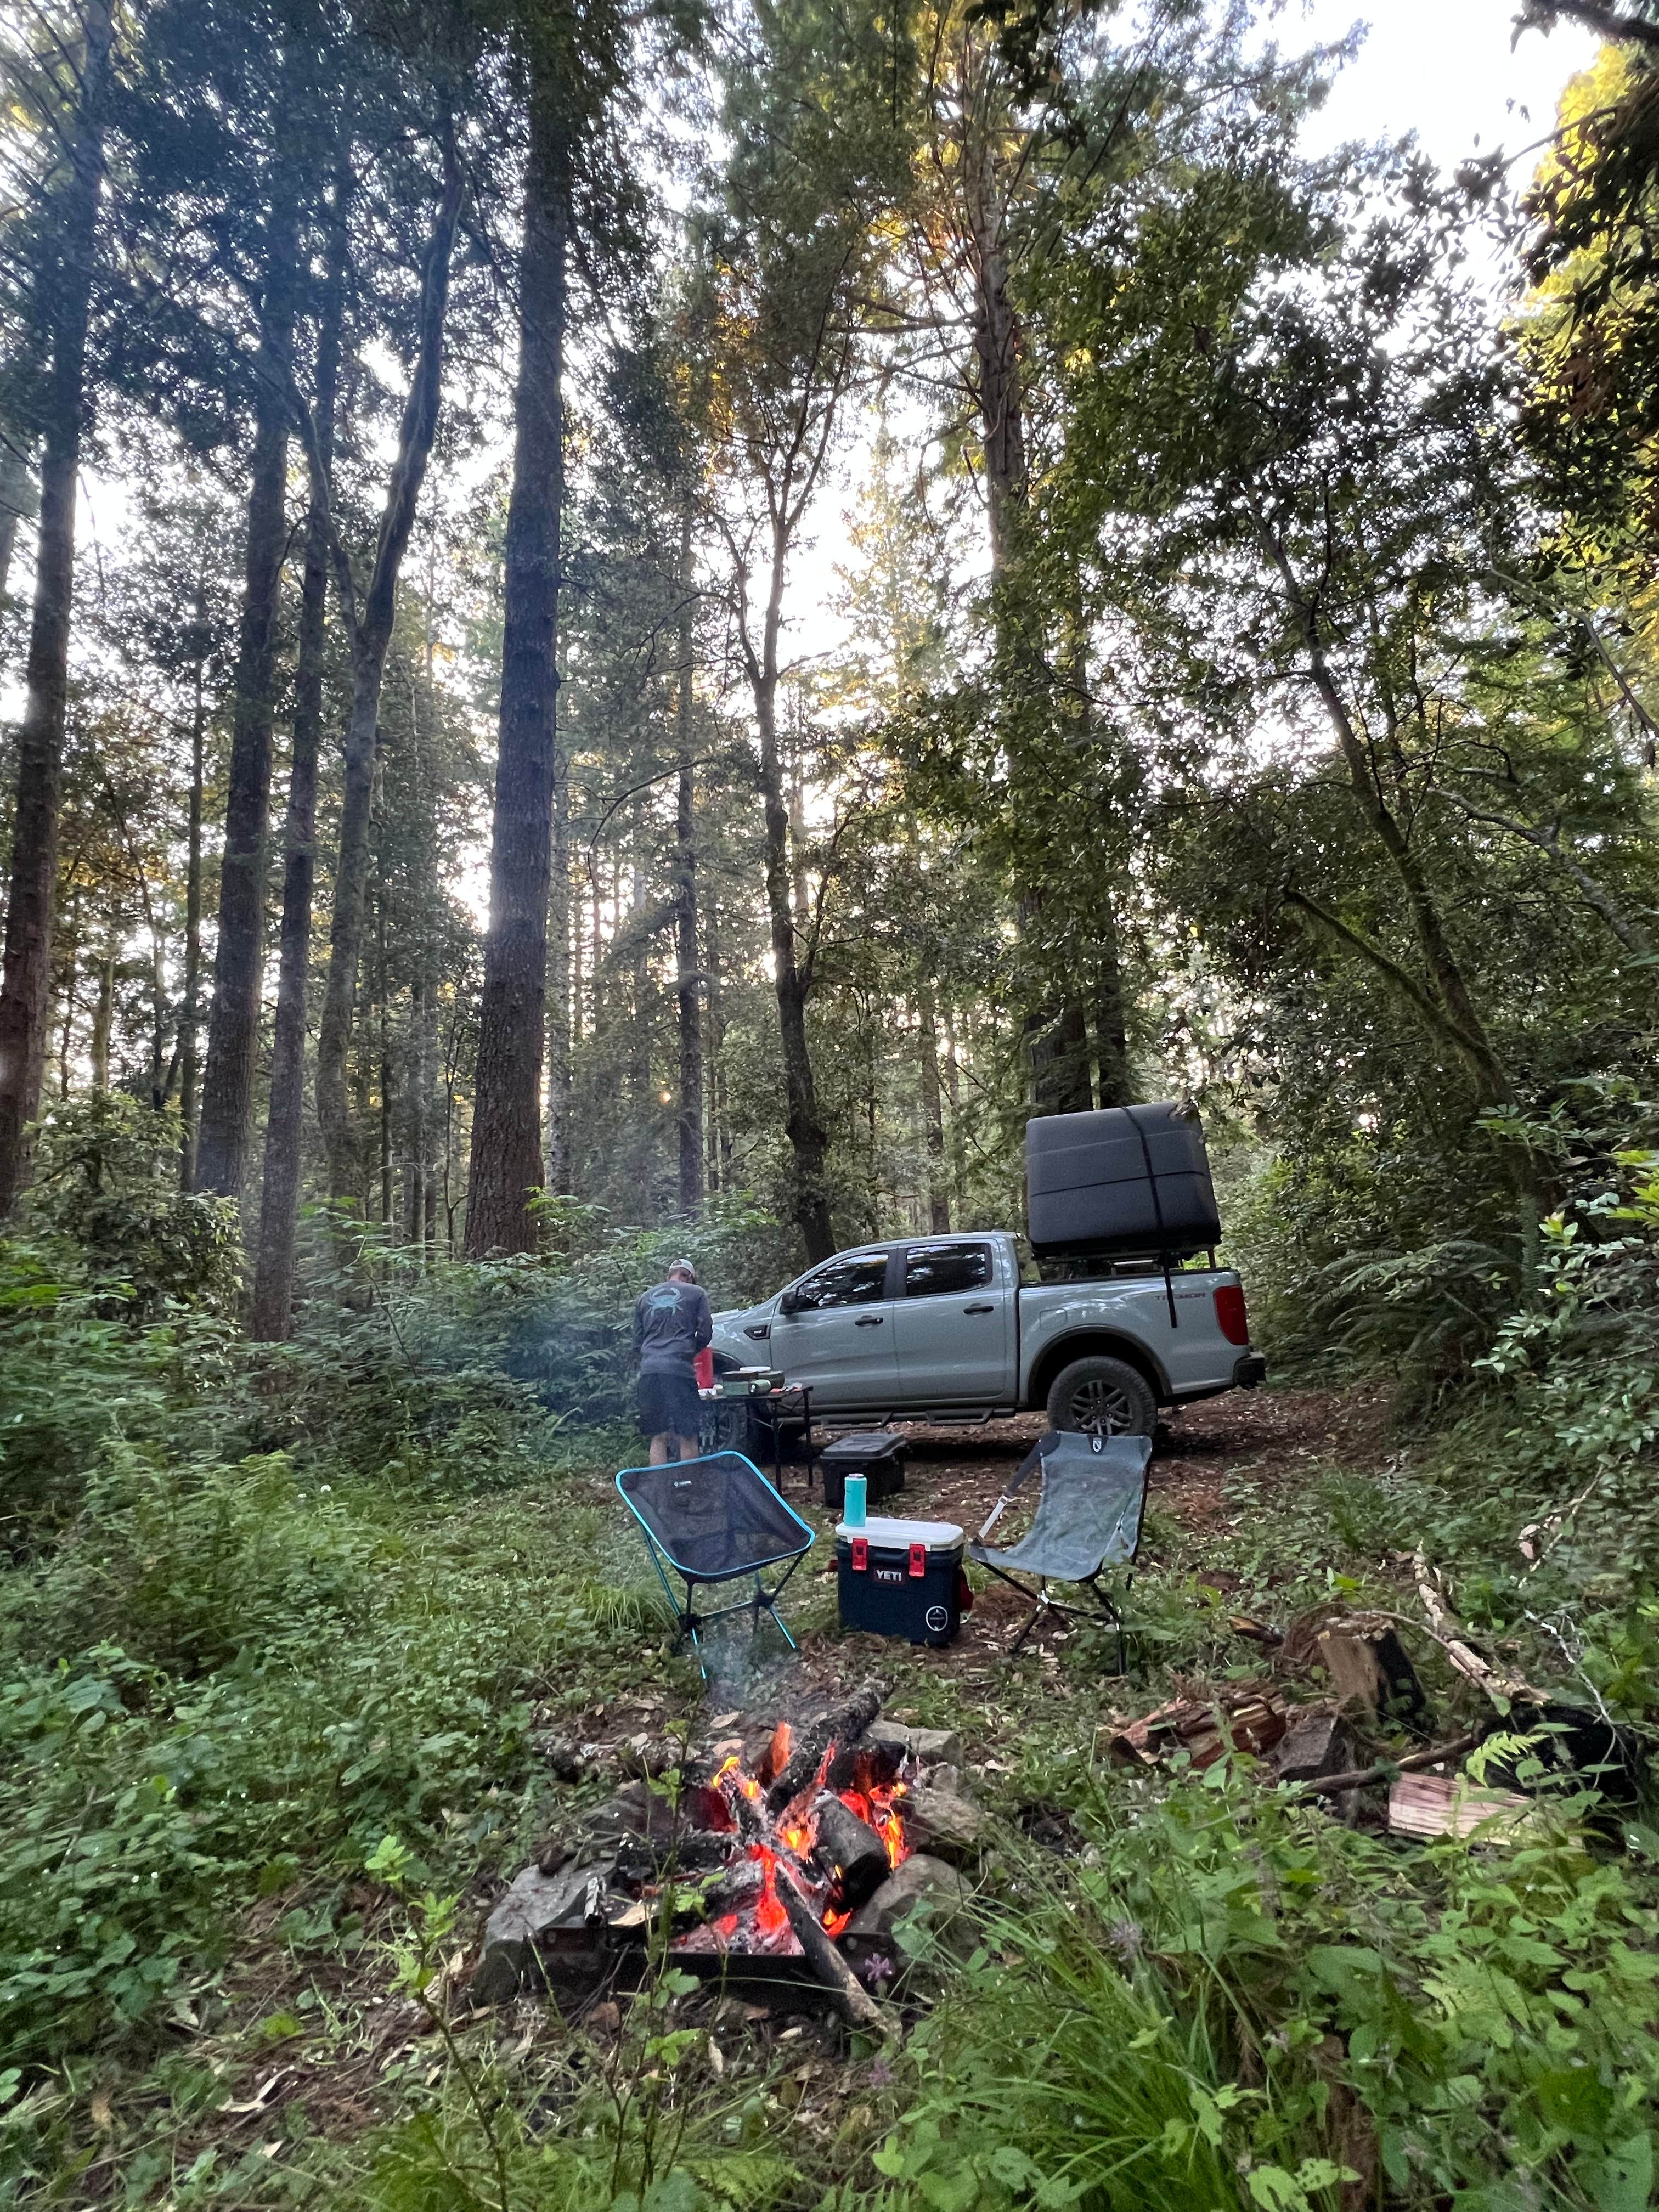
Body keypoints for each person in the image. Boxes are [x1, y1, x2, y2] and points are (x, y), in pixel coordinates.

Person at [634, 1258, 713, 1464]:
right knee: (688, 1434)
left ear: (669, 1275)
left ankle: (660, 1483)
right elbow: (705, 1333)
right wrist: (687, 1352)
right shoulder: (697, 1293)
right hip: (679, 1371)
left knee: (658, 1436)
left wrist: (652, 1356)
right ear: (690, 1277)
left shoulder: (644, 1298)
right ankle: (689, 1483)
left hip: (650, 1372)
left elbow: (637, 1342)